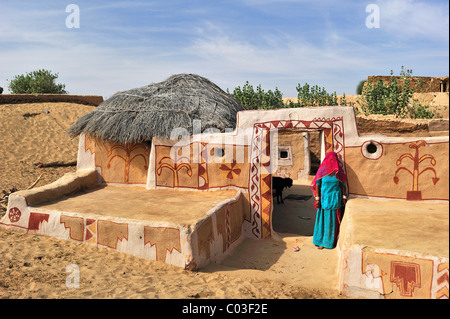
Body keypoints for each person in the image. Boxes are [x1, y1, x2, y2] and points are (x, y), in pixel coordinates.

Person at [310, 151, 347, 250]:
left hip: (335, 199)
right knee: (323, 219)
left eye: (334, 158)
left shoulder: (338, 172)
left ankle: (329, 242)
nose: (332, 160)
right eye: (330, 158)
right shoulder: (322, 171)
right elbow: (317, 184)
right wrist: (317, 199)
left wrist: (344, 198)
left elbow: (342, 185)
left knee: (332, 220)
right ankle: (320, 240)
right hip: (324, 199)